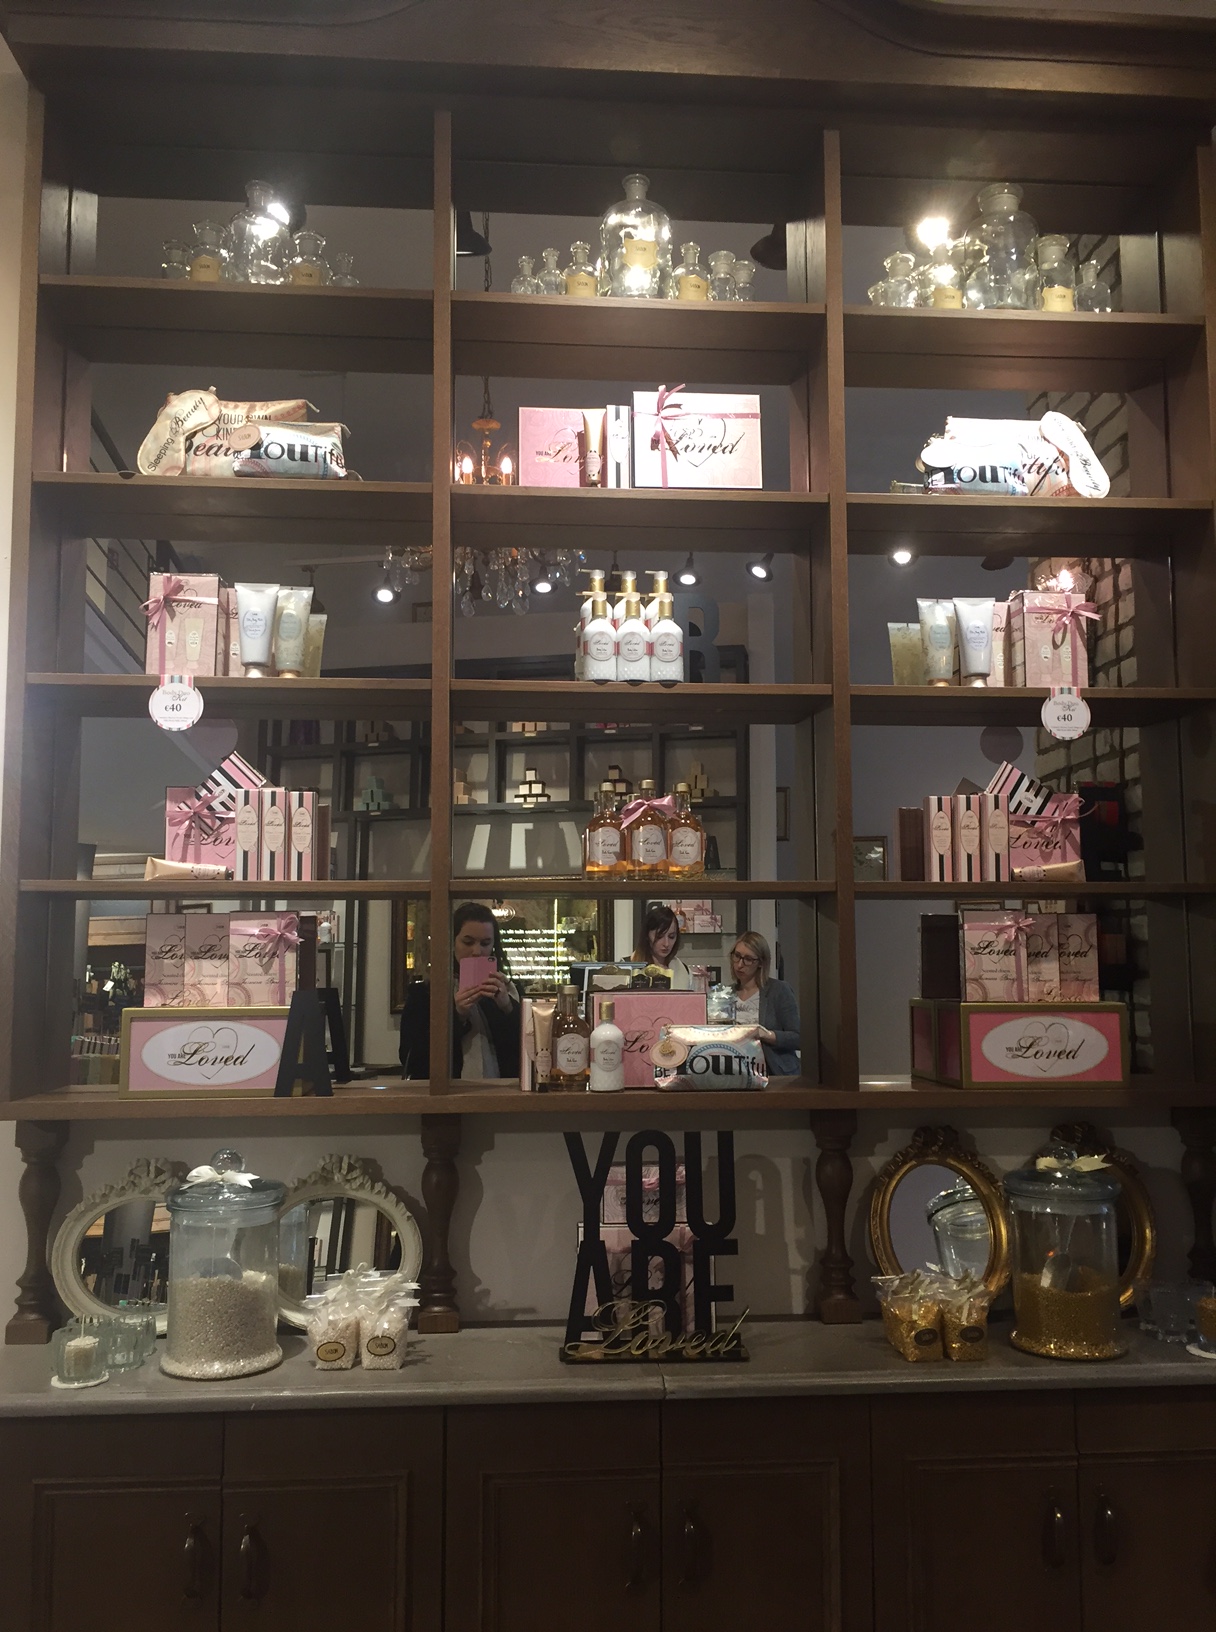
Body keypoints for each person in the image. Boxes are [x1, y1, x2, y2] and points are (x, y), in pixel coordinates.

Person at [399, 902, 520, 1079]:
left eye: (485, 943)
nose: (477, 951)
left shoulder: (506, 990)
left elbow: (526, 1051)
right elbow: (411, 1058)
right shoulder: (424, 993)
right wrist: (457, 1017)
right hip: (445, 1091)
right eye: (468, 942)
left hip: (500, 1090)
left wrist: (508, 1008)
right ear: (452, 942)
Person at [730, 930, 800, 1075]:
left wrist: (766, 1034)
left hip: (773, 1072)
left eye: (748, 959)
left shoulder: (779, 990)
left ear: (760, 963)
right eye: (737, 956)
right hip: (735, 1071)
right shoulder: (726, 994)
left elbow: (798, 1038)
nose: (740, 964)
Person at [632, 904, 694, 989]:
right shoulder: (627, 968)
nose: (666, 943)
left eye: (671, 937)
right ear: (646, 935)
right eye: (659, 937)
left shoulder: (685, 972)